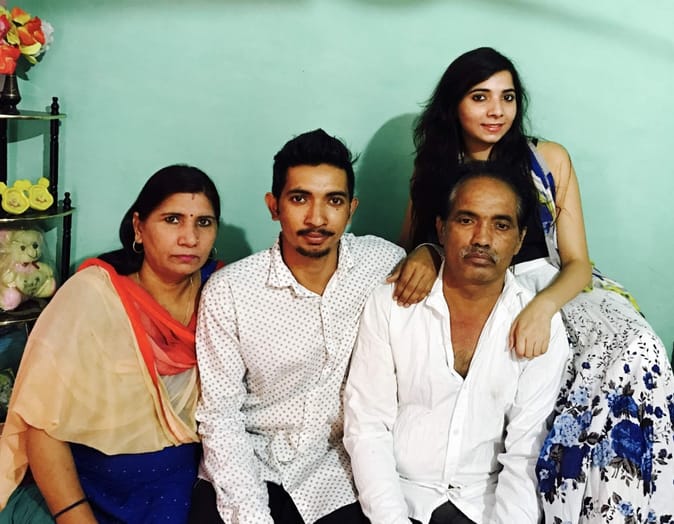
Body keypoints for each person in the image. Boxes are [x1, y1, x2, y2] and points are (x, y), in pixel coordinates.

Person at [402, 47, 674, 522]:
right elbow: (412, 243)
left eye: (507, 97)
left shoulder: (546, 159)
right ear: (454, 104)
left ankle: (622, 510)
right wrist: (425, 251)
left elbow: (578, 263)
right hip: (478, 287)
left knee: (637, 350)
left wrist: (543, 307)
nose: (496, 110)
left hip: (553, 285)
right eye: (480, 97)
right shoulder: (432, 170)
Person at [191, 129, 438, 524]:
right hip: (252, 465)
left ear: (351, 209)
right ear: (273, 206)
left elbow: (445, 271)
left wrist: (431, 253)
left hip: (339, 474)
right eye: (299, 198)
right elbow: (220, 417)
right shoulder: (230, 291)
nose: (317, 218)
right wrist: (252, 515)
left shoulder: (384, 263)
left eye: (333, 201)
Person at [344, 163, 569, 524]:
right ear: (442, 228)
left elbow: (526, 453)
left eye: (501, 225)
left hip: (485, 503)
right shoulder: (392, 304)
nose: (482, 238)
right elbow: (368, 427)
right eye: (467, 220)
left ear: (519, 239)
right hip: (398, 496)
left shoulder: (540, 325)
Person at [0, 164, 223, 523]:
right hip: (87, 491)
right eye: (172, 220)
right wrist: (75, 515)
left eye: (204, 222)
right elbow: (40, 425)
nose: (190, 238)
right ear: (139, 227)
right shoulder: (93, 296)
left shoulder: (222, 296)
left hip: (184, 491)